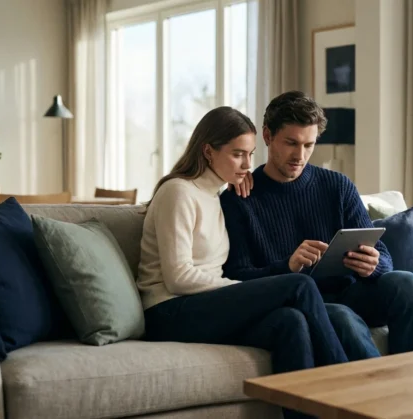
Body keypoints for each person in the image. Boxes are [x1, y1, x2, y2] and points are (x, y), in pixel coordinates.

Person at [137, 106, 348, 419]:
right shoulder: (178, 193)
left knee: (290, 322)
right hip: (169, 310)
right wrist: (239, 287)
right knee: (299, 284)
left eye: (250, 154)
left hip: (203, 306)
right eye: (238, 155)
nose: (248, 165)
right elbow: (178, 278)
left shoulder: (217, 195)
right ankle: (350, 388)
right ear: (208, 151)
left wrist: (235, 182)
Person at [220, 91, 413, 357]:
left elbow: (384, 257)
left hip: (352, 292)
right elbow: (236, 277)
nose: (300, 155)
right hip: (304, 304)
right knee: (342, 318)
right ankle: (379, 394)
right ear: (267, 136)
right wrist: (288, 266)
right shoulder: (240, 198)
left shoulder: (337, 186)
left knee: (407, 282)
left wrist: (374, 265)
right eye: (291, 143)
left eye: (309, 145)